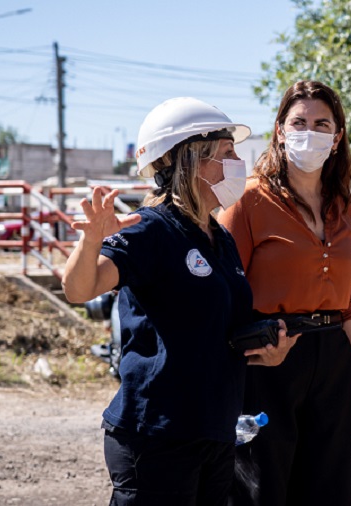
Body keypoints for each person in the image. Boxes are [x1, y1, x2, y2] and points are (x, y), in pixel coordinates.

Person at [62, 97, 297, 505]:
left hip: (215, 431)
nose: (238, 161)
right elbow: (79, 289)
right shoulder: (149, 229)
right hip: (157, 436)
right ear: (189, 159)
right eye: (226, 153)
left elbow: (219, 331)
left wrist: (267, 350)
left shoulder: (219, 237)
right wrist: (91, 240)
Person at [218, 80, 351, 506]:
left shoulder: (343, 206)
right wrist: (247, 351)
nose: (310, 131)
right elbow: (222, 292)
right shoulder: (248, 199)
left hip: (334, 363)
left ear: (337, 136)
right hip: (270, 357)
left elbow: (348, 306)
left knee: (327, 490)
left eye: (321, 123)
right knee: (261, 491)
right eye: (299, 122)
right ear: (279, 130)